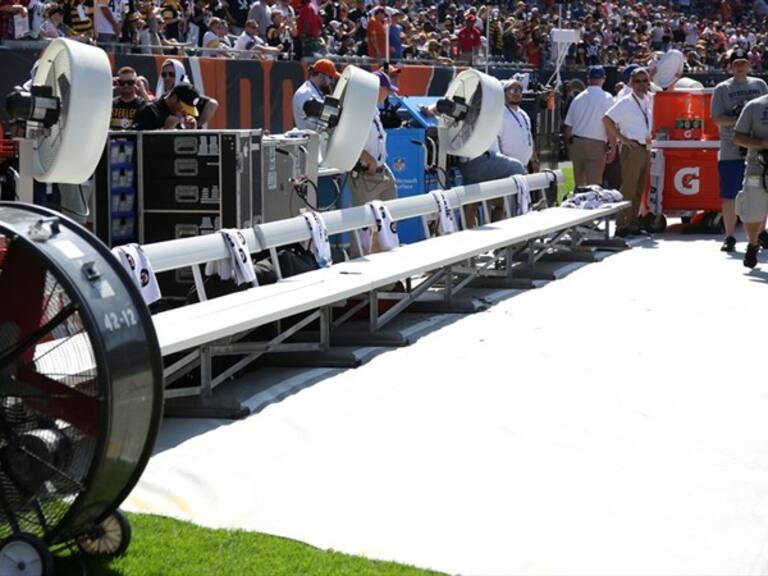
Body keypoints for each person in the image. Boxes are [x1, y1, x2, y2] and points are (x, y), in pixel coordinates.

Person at [711, 48, 768, 252]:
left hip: (758, 150)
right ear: (730, 66)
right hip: (731, 147)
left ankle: (761, 233)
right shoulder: (722, 89)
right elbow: (717, 118)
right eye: (736, 63)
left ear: (749, 65)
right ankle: (729, 236)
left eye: (743, 63)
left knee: (763, 191)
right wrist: (740, 119)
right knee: (730, 194)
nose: (740, 67)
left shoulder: (760, 85)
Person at [603, 67, 653, 237]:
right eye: (637, 81)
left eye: (644, 81)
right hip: (632, 148)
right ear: (631, 82)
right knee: (629, 188)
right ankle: (622, 224)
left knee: (639, 188)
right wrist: (621, 139)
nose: (641, 85)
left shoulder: (647, 100)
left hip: (645, 148)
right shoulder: (626, 101)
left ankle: (633, 223)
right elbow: (607, 119)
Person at [348, 70, 398, 210]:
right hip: (365, 175)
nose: (389, 94)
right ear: (378, 89)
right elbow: (350, 143)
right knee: (368, 226)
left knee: (389, 221)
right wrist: (370, 161)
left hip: (381, 173)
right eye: (387, 90)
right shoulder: (359, 111)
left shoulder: (373, 110)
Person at [732, 92, 768, 268]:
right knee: (753, 210)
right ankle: (753, 243)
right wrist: (762, 143)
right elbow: (738, 137)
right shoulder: (754, 106)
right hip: (758, 167)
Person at [564, 65, 615, 187]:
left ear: (588, 78)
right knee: (594, 186)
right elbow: (610, 126)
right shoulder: (607, 98)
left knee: (579, 185)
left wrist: (569, 148)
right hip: (596, 144)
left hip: (577, 143)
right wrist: (613, 148)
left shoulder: (578, 98)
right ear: (603, 79)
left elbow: (568, 128)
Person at [156, 59, 219, 127]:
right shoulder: (161, 99)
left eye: (171, 74)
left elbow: (212, 104)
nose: (167, 78)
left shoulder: (187, 94)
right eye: (164, 74)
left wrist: (197, 126)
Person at [495, 78, 538, 173]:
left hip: (525, 166)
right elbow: (496, 142)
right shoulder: (501, 113)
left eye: (519, 90)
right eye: (513, 90)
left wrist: (534, 159)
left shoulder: (523, 114)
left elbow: (528, 137)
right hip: (508, 168)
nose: (517, 93)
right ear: (504, 93)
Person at [292, 58, 339, 131]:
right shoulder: (305, 93)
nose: (332, 81)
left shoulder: (314, 91)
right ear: (321, 75)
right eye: (330, 77)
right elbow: (331, 117)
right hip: (311, 140)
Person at [134, 83, 202, 131]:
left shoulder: (183, 118)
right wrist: (165, 131)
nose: (186, 112)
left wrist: (190, 132)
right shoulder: (149, 111)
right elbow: (139, 144)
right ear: (174, 98)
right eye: (184, 107)